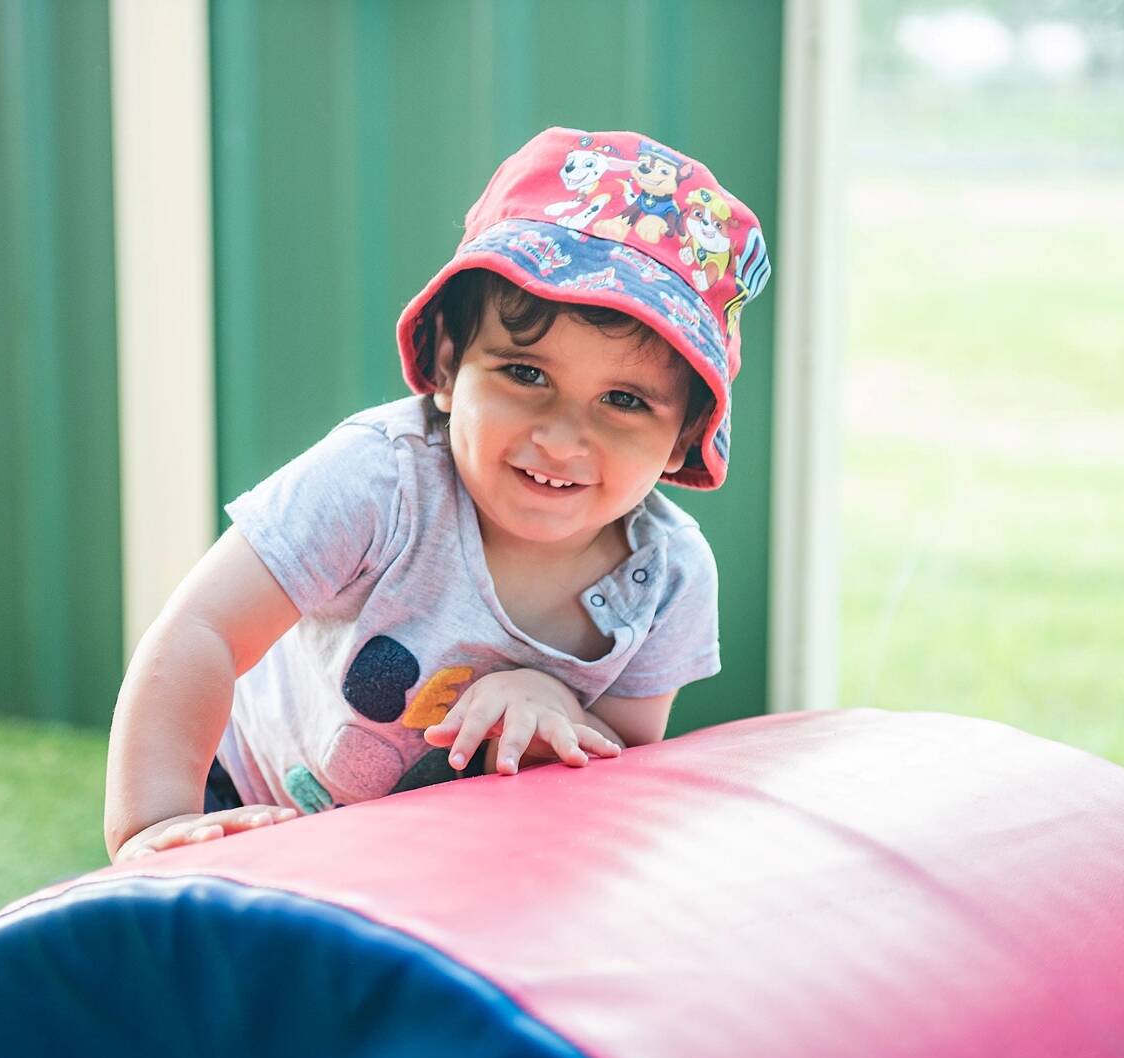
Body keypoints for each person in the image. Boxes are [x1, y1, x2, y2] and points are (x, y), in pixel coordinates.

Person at [104, 127, 771, 861]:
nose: (560, 437)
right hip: (244, 801)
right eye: (525, 374)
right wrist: (157, 820)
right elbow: (202, 629)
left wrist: (551, 708)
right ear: (450, 368)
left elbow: (610, 779)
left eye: (624, 400)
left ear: (684, 437)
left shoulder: (667, 581)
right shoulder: (379, 480)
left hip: (436, 867)